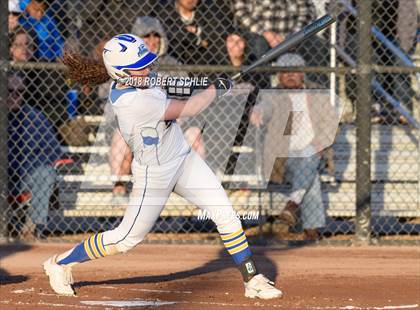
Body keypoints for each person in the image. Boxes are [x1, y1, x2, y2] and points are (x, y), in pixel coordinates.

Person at [43, 34, 283, 300]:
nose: (148, 68)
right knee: (126, 239)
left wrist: (209, 84)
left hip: (183, 159)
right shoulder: (135, 101)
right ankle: (60, 263)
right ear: (121, 73)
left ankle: (252, 279)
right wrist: (215, 88)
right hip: (154, 174)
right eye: (141, 66)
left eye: (147, 63)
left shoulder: (138, 79)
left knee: (225, 212)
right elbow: (191, 107)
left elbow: (178, 85)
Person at [250, 53, 337, 241]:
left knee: (309, 157)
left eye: (295, 71)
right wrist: (258, 111)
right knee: (310, 177)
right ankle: (310, 227)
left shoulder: (317, 93)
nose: (290, 75)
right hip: (283, 158)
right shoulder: (273, 95)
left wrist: (319, 143)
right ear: (279, 76)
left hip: (312, 152)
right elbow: (265, 107)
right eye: (285, 72)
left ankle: (293, 206)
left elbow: (331, 123)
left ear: (303, 74)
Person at [7, 72, 63, 238]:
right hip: (4, 174)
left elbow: (53, 150)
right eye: (10, 91)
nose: (15, 96)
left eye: (20, 92)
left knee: (45, 172)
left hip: (27, 174)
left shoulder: (35, 117)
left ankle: (32, 226)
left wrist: (36, 162)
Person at [155, 0, 227, 64]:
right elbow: (170, 32)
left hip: (202, 60)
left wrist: (196, 31)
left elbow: (216, 33)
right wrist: (198, 40)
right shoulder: (165, 10)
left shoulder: (207, 9)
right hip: (174, 58)